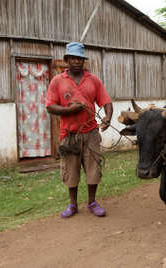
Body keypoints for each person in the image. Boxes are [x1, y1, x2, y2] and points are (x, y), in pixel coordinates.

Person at [46, 42, 113, 218]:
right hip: (69, 135)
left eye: (79, 58)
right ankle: (73, 205)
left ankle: (92, 202)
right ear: (67, 60)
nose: (76, 61)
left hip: (91, 133)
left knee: (93, 169)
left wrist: (107, 117)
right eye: (73, 58)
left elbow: (106, 101)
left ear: (83, 61)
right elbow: (50, 107)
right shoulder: (57, 81)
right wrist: (69, 110)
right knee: (71, 171)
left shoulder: (93, 80)